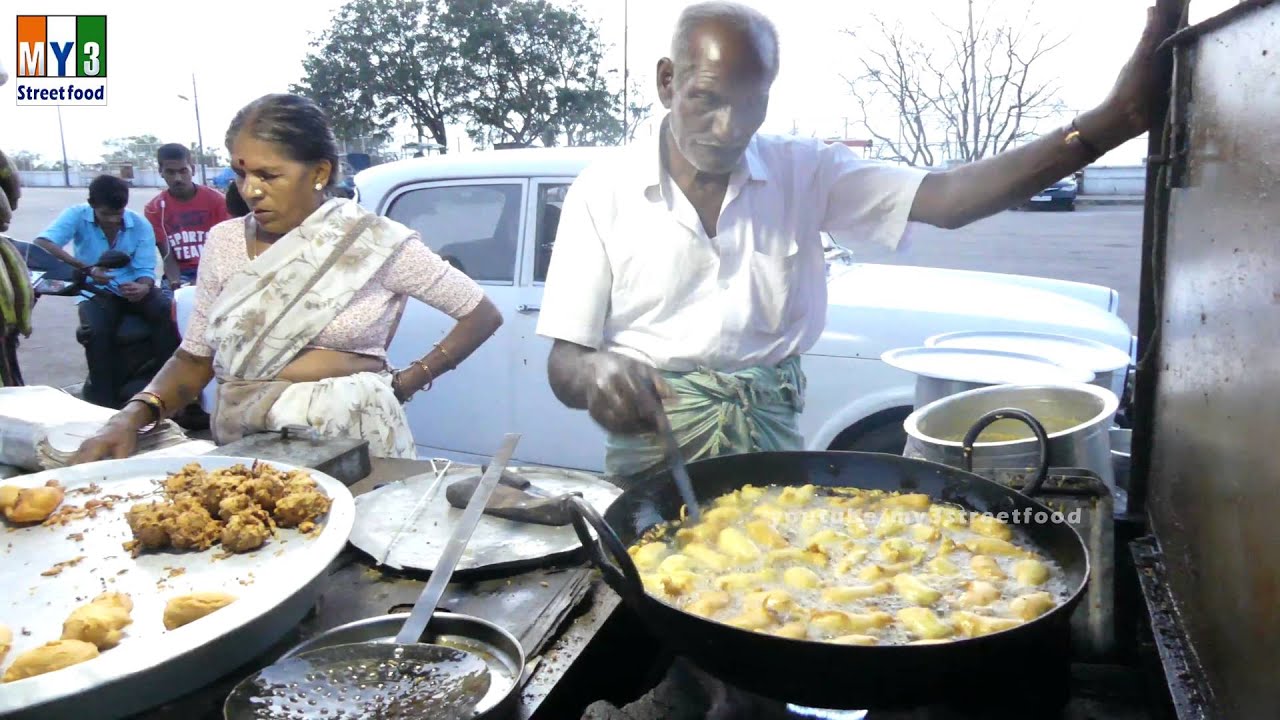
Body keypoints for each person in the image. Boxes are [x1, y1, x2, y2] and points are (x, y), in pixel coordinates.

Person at [540, 1, 1172, 487]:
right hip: (653, 459)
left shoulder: (803, 172)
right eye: (706, 100)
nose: (728, 128)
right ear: (667, 82)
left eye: (749, 104)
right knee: (653, 607)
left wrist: (1107, 125)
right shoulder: (602, 191)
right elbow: (563, 365)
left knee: (764, 606)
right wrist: (595, 371)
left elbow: (948, 200)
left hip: (770, 452)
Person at [73, 93, 503, 462]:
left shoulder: (372, 243)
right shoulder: (224, 242)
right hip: (246, 447)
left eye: (268, 175)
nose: (250, 190)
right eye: (241, 173)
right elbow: (195, 358)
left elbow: (481, 315)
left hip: (355, 447)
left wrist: (404, 384)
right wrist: (131, 416)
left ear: (319, 172)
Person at [35, 175, 179, 408]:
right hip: (95, 289)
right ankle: (103, 403)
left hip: (134, 288)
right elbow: (43, 243)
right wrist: (87, 269)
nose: (113, 220)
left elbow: (145, 267)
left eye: (118, 214)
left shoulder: (139, 224)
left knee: (168, 315)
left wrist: (142, 286)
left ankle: (169, 390)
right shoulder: (76, 215)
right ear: (92, 205)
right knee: (95, 333)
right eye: (106, 214)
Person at [143, 143, 231, 290]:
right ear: (161, 172)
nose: (178, 178)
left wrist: (203, 281)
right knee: (169, 305)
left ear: (193, 169)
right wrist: (175, 285)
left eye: (183, 171)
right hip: (180, 275)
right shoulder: (154, 209)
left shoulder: (218, 201)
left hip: (215, 271)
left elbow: (226, 251)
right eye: (170, 172)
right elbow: (167, 256)